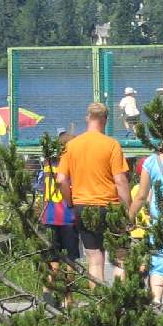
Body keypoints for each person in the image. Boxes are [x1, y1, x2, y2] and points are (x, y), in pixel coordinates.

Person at [56, 102, 131, 283]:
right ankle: (120, 303)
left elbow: (60, 180)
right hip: (110, 206)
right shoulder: (112, 145)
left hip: (83, 206)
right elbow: (120, 181)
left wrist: (70, 202)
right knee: (120, 258)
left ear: (87, 117)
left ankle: (99, 305)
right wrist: (128, 210)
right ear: (105, 120)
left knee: (95, 260)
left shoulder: (72, 146)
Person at [128, 140, 163, 309]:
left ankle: (156, 299)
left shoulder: (151, 162)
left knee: (159, 262)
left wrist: (130, 217)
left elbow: (141, 195)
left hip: (159, 219)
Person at [37, 129, 78, 277]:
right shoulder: (70, 166)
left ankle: (48, 291)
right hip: (67, 217)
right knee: (71, 258)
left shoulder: (47, 165)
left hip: (48, 215)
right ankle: (69, 296)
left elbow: (40, 185)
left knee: (52, 257)